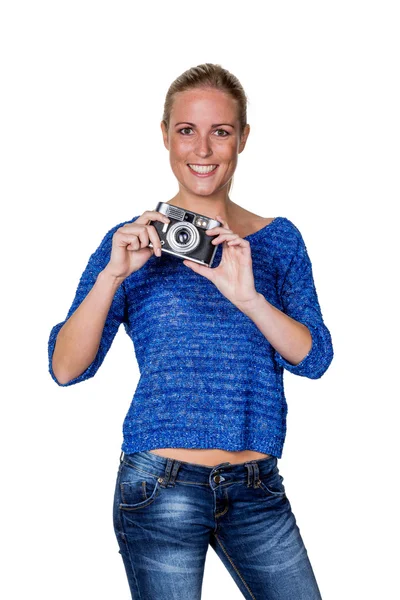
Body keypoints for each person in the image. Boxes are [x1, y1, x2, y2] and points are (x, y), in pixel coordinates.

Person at [48, 63, 333, 599]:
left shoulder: (278, 241)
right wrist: (113, 275)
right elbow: (66, 368)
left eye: (220, 131)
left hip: (258, 487)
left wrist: (248, 297)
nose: (202, 150)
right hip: (162, 484)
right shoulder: (132, 242)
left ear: (243, 138)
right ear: (165, 136)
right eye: (187, 130)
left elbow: (315, 358)